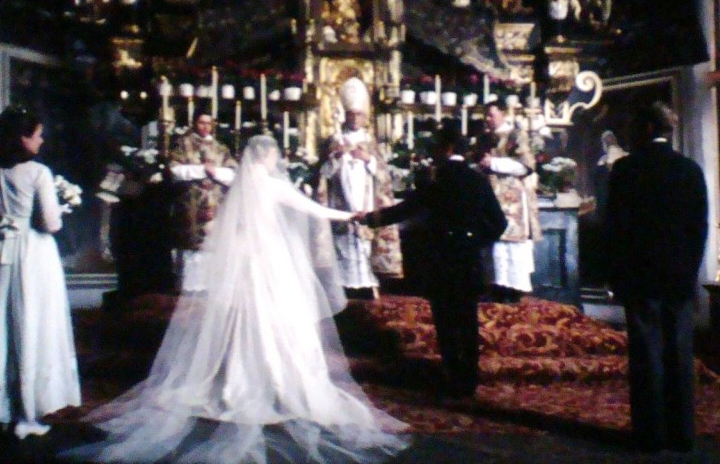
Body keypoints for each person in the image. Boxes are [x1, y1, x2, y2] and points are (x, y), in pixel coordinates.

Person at [60, 135, 411, 463]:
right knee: (280, 318)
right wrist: (354, 216)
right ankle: (278, 380)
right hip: (271, 260)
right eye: (275, 155)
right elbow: (312, 209)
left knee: (245, 316)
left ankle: (239, 378)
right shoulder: (273, 185)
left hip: (244, 262)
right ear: (267, 155)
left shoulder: (240, 183)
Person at [355, 126, 506, 398]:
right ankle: (469, 378)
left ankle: (453, 376)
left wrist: (370, 219)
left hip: (441, 261)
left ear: (447, 149)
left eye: (437, 147)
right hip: (469, 261)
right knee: (468, 320)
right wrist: (474, 243)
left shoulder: (438, 180)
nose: (433, 153)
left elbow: (406, 209)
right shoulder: (478, 180)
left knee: (446, 322)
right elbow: (499, 222)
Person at [0, 106, 82, 439]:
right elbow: (50, 222)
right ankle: (27, 415)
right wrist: (60, 207)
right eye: (38, 134)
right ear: (22, 137)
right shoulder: (37, 173)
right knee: (31, 323)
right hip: (33, 254)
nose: (41, 140)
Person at [604, 102, 708, 453]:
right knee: (679, 351)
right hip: (678, 275)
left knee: (646, 352)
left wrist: (616, 275)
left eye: (634, 127)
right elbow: (699, 228)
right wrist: (690, 272)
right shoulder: (689, 170)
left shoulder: (627, 170)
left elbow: (616, 228)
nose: (630, 135)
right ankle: (682, 433)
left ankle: (651, 433)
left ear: (647, 128)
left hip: (641, 275)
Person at [316, 77, 403, 299]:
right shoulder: (334, 141)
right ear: (345, 115)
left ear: (366, 117)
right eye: (351, 114)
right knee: (343, 248)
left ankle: (366, 287)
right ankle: (343, 288)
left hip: (366, 203)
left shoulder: (371, 143)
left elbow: (383, 175)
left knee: (364, 249)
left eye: (359, 114)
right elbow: (323, 175)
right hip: (341, 203)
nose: (355, 119)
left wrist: (368, 160)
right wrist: (336, 158)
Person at [478, 98, 542, 303]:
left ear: (503, 114)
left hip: (512, 197)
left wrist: (494, 163)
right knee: (494, 244)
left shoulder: (516, 135)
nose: (488, 119)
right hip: (490, 195)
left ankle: (514, 289)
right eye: (486, 115)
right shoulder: (484, 138)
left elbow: (526, 165)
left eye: (492, 115)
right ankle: (497, 285)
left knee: (511, 244)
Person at [169, 112, 237, 293]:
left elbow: (232, 173)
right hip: (191, 202)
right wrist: (201, 170)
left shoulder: (220, 147)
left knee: (213, 244)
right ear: (194, 123)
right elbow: (174, 170)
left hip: (216, 202)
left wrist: (215, 173)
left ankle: (211, 287)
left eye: (209, 123)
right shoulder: (183, 144)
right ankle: (189, 288)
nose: (205, 127)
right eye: (201, 122)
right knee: (192, 245)